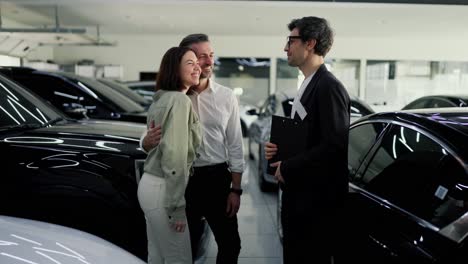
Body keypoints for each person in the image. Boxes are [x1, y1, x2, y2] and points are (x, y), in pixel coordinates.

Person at [142, 34, 244, 264]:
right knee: (185, 246)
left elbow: (235, 143)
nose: (208, 62)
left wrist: (235, 189)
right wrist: (145, 142)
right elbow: (149, 134)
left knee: (231, 244)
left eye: (211, 55)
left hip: (216, 178)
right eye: (200, 57)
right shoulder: (173, 97)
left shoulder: (226, 97)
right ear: (184, 61)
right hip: (182, 182)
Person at [264, 16, 350, 264]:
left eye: (291, 41)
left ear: (310, 43)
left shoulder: (328, 86)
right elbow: (309, 139)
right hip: (301, 198)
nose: (285, 48)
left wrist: (288, 166)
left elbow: (334, 146)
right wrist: (279, 151)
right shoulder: (308, 84)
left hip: (315, 206)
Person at [137, 46, 201, 264]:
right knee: (179, 258)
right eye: (190, 63)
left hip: (149, 186)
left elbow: (156, 143)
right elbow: (174, 156)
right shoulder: (180, 101)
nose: (197, 67)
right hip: (164, 191)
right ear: (175, 68)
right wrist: (177, 208)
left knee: (156, 256)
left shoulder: (161, 98)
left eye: (197, 63)